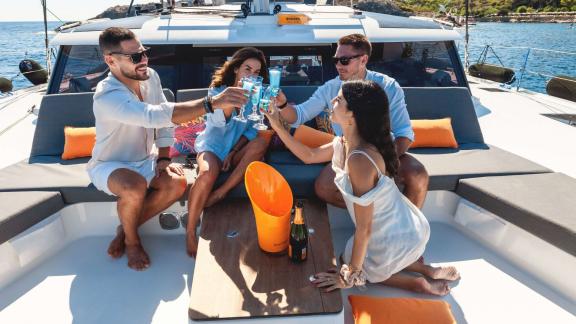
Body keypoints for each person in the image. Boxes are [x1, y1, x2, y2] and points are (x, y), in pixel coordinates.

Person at [264, 80, 459, 295]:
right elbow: (309, 156)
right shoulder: (345, 142)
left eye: (338, 99)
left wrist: (348, 276)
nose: (332, 101)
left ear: (352, 115)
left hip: (396, 236)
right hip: (393, 225)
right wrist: (278, 126)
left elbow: (364, 229)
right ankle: (426, 269)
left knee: (350, 265)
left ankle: (418, 284)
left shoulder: (360, 160)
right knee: (346, 259)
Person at [88, 27, 248, 270]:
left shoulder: (150, 76)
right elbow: (153, 116)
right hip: (111, 164)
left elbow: (163, 124)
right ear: (110, 60)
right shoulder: (107, 95)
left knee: (177, 182)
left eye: (144, 53)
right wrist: (211, 103)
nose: (143, 60)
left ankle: (125, 229)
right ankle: (132, 241)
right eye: (135, 57)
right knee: (135, 187)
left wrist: (163, 159)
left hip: (146, 159)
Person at [274, 34, 429, 209]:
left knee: (417, 175)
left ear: (363, 59)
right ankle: (380, 215)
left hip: (385, 150)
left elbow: (404, 134)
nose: (338, 65)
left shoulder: (388, 86)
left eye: (345, 60)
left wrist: (383, 166)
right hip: (349, 150)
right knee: (324, 188)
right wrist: (282, 105)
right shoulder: (331, 88)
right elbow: (299, 115)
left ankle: (408, 225)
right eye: (336, 60)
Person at [186, 47, 270, 257]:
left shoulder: (256, 98)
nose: (251, 75)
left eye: (256, 72)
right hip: (212, 147)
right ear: (235, 69)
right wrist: (233, 98)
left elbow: (251, 130)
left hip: (235, 149)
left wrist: (233, 152)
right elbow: (217, 123)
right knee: (206, 174)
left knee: (260, 144)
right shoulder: (217, 92)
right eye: (247, 69)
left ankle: (221, 193)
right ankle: (189, 231)